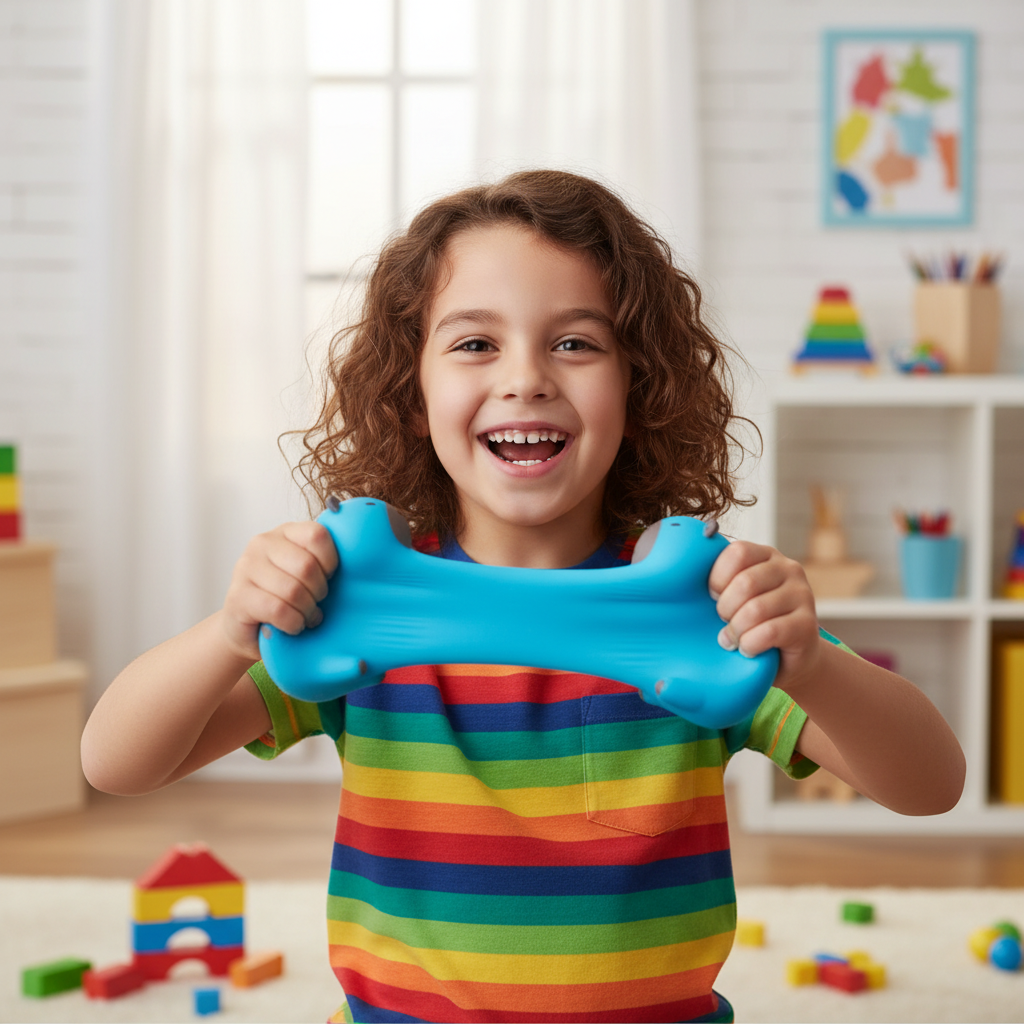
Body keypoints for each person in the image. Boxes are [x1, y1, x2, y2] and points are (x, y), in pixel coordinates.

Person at [82, 170, 965, 1024]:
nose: (526, 377)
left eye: (575, 342)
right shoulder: (355, 611)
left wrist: (809, 664)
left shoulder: (703, 616)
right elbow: (118, 763)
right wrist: (233, 632)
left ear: (639, 385)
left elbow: (930, 786)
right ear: (412, 393)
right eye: (475, 343)